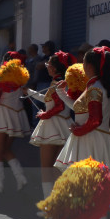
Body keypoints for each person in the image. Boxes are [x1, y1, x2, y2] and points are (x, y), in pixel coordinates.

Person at [54, 47, 110, 219]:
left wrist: (78, 130)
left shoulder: (94, 88)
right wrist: (61, 94)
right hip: (95, 141)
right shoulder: (97, 86)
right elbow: (80, 110)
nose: (82, 65)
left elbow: (94, 120)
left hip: (88, 142)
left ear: (91, 65)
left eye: (84, 61)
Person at [25, 51, 76, 209]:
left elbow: (58, 106)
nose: (46, 67)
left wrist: (45, 114)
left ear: (53, 68)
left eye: (48, 65)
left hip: (52, 126)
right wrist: (29, 92)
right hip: (65, 126)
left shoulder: (57, 82)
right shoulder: (63, 81)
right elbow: (49, 100)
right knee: (59, 168)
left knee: (47, 169)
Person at [0, 53, 31, 192]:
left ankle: (0, 184)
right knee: (6, 150)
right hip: (16, 117)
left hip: (1, 116)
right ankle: (20, 176)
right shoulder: (21, 79)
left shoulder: (2, 80)